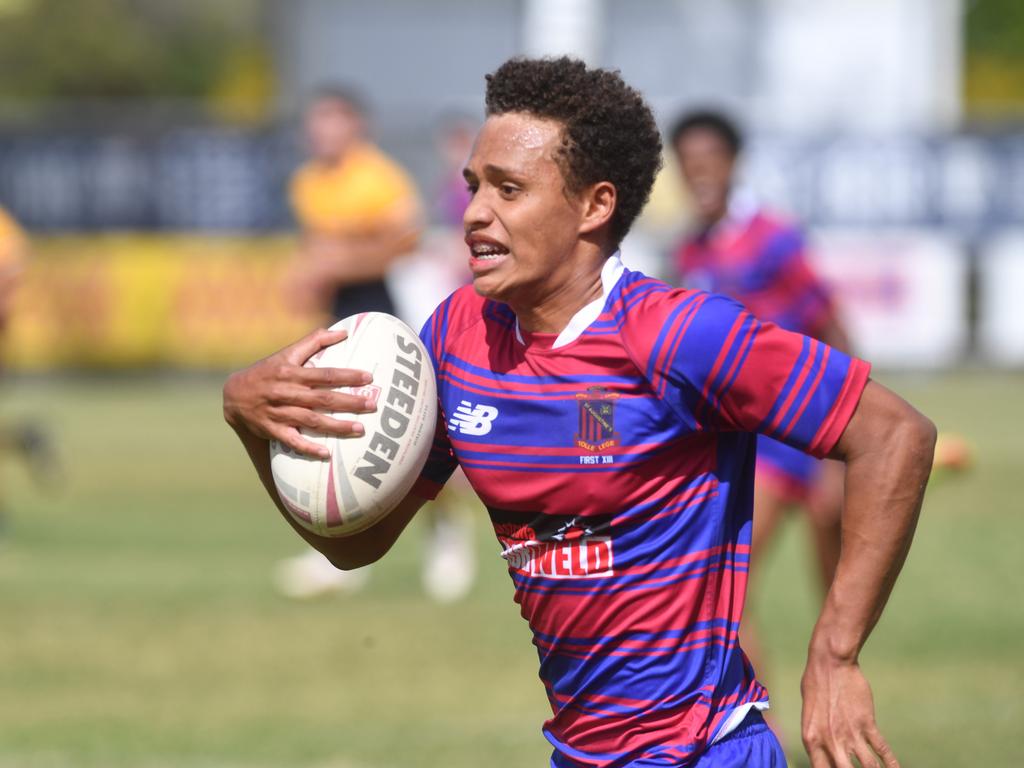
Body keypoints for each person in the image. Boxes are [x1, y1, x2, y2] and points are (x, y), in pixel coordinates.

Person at [225, 57, 936, 767]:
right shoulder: (455, 335)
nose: (474, 212)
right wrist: (255, 431)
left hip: (704, 752)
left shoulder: (681, 335)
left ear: (594, 206)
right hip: (579, 753)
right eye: (474, 186)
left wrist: (836, 655)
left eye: (509, 190)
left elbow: (895, 434)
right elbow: (358, 544)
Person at [669, 110, 850, 688]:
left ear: (732, 164)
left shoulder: (773, 239)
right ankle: (760, 739)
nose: (699, 174)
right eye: (688, 164)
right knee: (734, 600)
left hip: (798, 437)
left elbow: (832, 328)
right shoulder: (690, 254)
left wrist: (845, 450)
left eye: (709, 162)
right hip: (746, 445)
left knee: (804, 607)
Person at [277, 85, 473, 602]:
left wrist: (337, 264)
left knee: (418, 438)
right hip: (336, 319)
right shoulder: (307, 183)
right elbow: (318, 250)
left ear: (356, 126)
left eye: (333, 120)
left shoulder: (377, 177)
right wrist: (308, 275)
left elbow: (401, 242)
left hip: (382, 319)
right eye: (316, 121)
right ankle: (340, 556)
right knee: (333, 435)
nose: (321, 131)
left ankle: (449, 542)